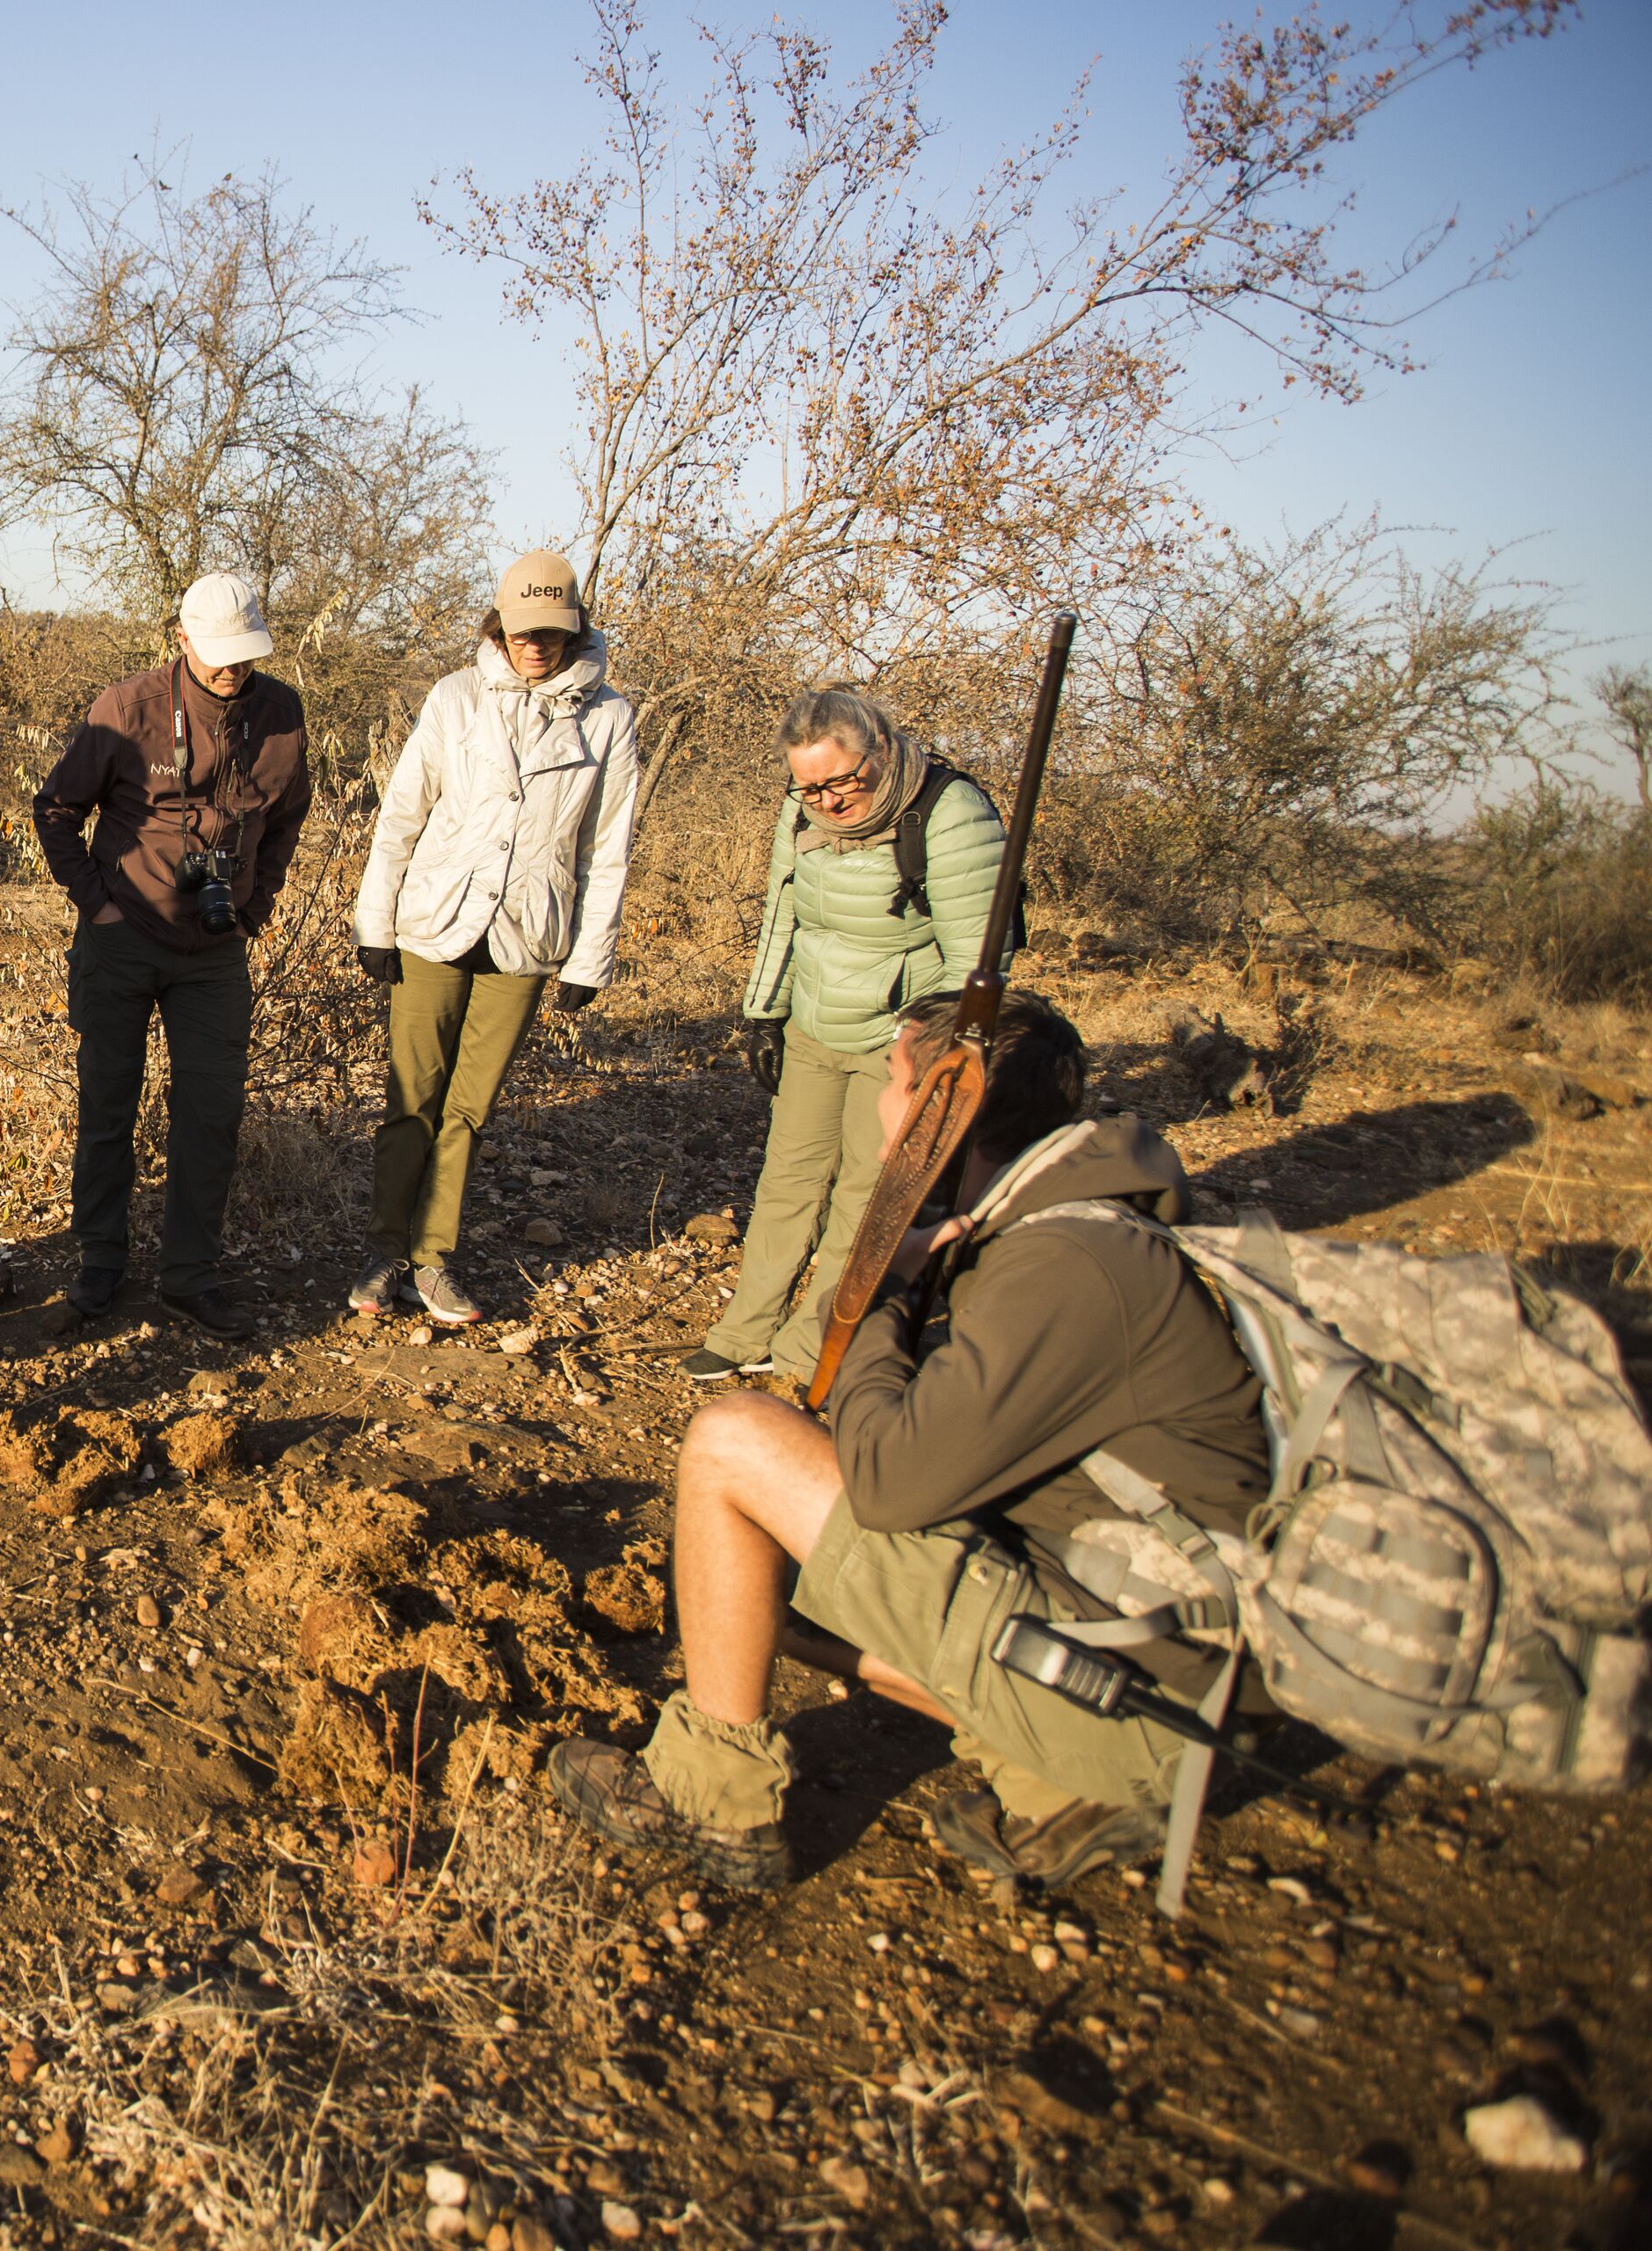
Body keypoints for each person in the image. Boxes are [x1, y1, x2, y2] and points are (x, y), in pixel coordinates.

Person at [546, 988, 1271, 1891]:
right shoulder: (1049, 1221)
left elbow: (887, 1481)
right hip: (1149, 1661)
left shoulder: (1068, 1266)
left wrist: (885, 1295)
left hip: (1155, 1704)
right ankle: (1051, 1778)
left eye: (894, 1082)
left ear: (943, 1109)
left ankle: (710, 1798)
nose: (880, 1105)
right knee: (769, 1591)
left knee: (734, 1441)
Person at [347, 551, 642, 1326]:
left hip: (527, 938)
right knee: (411, 1101)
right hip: (433, 925)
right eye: (520, 630)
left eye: (550, 631)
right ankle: (383, 1254)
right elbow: (402, 814)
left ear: (573, 630)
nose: (534, 645)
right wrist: (375, 922)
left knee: (468, 1111)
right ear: (498, 625)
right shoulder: (455, 699)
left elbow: (605, 849)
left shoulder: (608, 717)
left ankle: (433, 1261)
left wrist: (590, 958)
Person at [685, 688, 1008, 1383]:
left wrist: (927, 1057)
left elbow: (977, 959)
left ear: (880, 751)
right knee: (786, 1180)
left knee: (865, 1195)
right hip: (813, 1020)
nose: (827, 800)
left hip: (897, 1043)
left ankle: (812, 1345)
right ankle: (745, 1332)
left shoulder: (951, 813)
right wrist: (764, 1013)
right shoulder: (801, 809)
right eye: (809, 787)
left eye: (841, 780)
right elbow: (782, 912)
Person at [32, 572, 315, 1338]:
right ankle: (100, 1265)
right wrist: (99, 906)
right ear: (182, 639)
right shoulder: (127, 709)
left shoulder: (281, 712)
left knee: (211, 1113)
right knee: (108, 1106)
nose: (232, 669)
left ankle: (190, 1275)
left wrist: (255, 905)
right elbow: (56, 811)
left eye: (245, 654)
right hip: (122, 939)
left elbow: (287, 817)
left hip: (215, 947)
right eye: (217, 654)